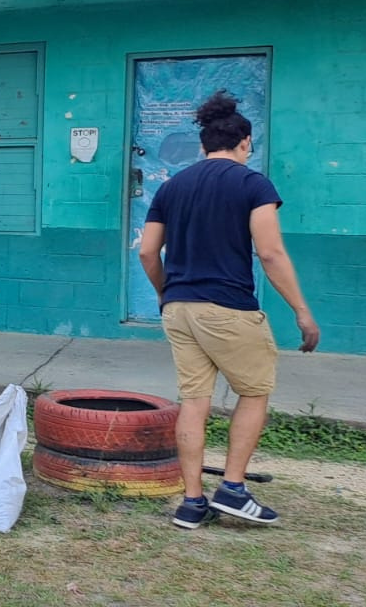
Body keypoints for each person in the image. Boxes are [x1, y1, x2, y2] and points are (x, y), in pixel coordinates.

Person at [139, 90, 319, 529]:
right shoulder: (253, 184)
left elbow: (147, 252)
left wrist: (166, 293)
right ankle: (234, 489)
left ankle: (192, 502)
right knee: (254, 392)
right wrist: (301, 310)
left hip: (179, 309)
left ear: (203, 145)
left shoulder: (172, 186)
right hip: (228, 307)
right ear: (245, 143)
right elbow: (271, 254)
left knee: (194, 401)